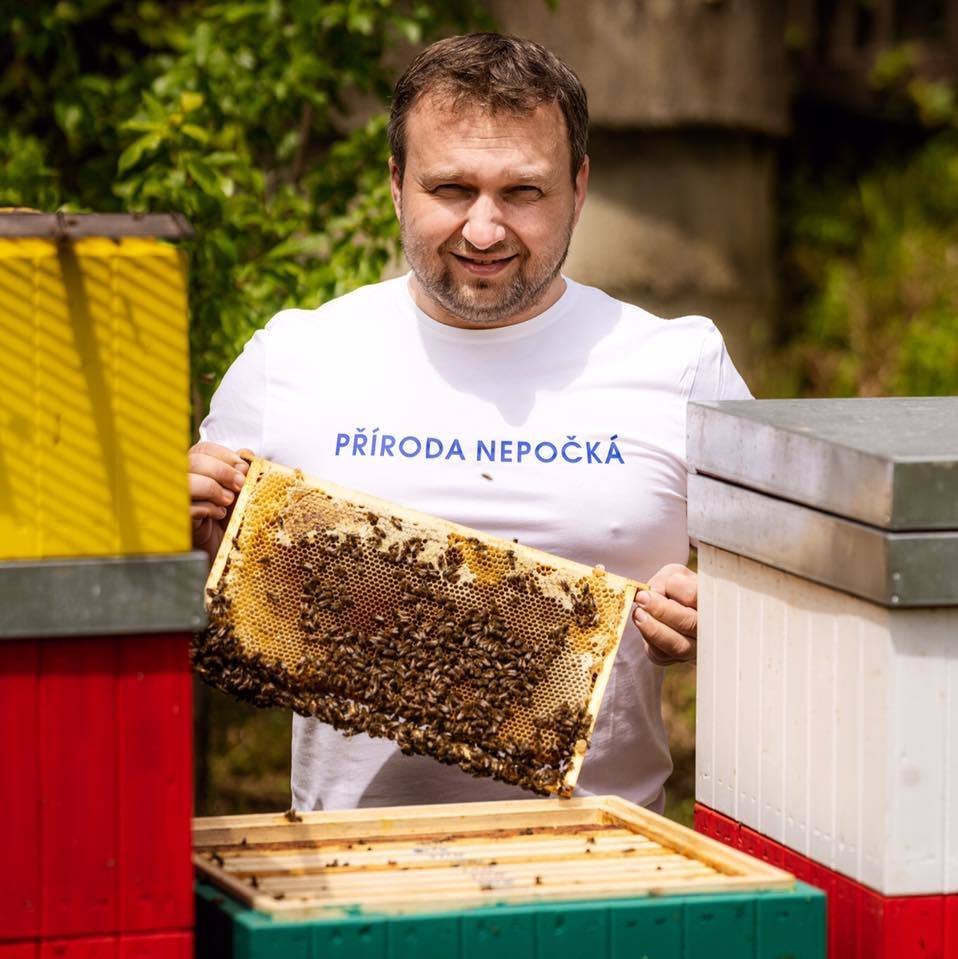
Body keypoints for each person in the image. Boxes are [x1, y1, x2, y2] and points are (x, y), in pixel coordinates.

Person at [189, 33, 750, 813]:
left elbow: (786, 615)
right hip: (349, 874)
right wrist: (171, 530)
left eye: (523, 192)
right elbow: (168, 605)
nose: (484, 231)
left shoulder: (681, 361)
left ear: (579, 188)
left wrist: (720, 614)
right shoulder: (293, 355)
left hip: (603, 868)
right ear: (395, 183)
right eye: (450, 188)